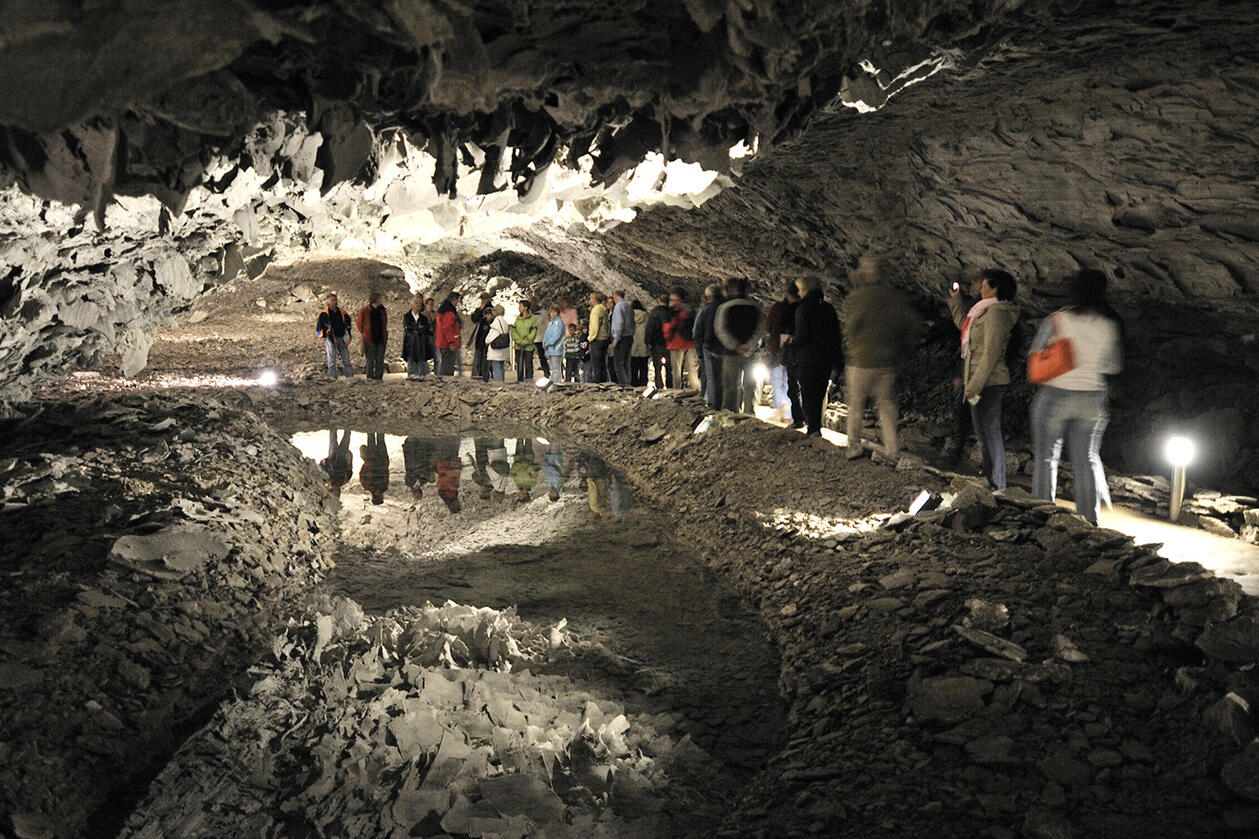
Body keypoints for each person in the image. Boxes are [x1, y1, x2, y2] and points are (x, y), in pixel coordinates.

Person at [1030, 269, 1123, 524]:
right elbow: (1113, 367)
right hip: (1093, 399)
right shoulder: (1109, 325)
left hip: (1055, 395)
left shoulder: (1058, 320)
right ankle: (1089, 520)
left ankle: (1042, 514)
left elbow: (1035, 352)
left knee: (1047, 458)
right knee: (1087, 460)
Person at [842, 256, 922, 460]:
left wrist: (853, 344)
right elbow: (913, 325)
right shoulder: (894, 297)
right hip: (887, 361)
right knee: (886, 405)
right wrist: (901, 348)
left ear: (865, 275)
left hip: (862, 360)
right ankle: (892, 450)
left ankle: (854, 445)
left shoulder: (859, 298)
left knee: (857, 404)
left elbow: (851, 326)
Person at [948, 267, 1021, 489]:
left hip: (990, 382)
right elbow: (965, 326)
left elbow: (990, 353)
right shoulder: (982, 312)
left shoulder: (997, 314)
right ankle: (991, 481)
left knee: (990, 432)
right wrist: (956, 300)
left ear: (995, 288)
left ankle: (997, 485)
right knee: (983, 432)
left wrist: (974, 386)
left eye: (985, 284)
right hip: (980, 381)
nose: (980, 288)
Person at [791, 276, 842, 437]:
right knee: (819, 393)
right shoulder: (829, 308)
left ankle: (813, 428)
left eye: (799, 289)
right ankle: (815, 427)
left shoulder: (803, 309)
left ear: (805, 290)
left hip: (807, 358)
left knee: (808, 393)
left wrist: (790, 343)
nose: (798, 293)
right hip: (825, 358)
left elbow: (802, 336)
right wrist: (837, 360)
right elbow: (836, 335)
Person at [714, 278, 765, 414]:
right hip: (752, 353)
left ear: (732, 290)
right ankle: (750, 412)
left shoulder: (725, 308)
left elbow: (721, 330)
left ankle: (730, 412)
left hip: (732, 353)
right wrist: (749, 346)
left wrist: (735, 346)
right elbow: (760, 329)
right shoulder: (756, 307)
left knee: (731, 384)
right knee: (751, 384)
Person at [765, 282, 802, 425]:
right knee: (790, 381)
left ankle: (784, 406)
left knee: (776, 379)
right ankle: (789, 412)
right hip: (795, 349)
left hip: (780, 348)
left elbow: (770, 326)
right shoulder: (800, 308)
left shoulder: (778, 308)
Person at [692, 284, 724, 405]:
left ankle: (711, 405)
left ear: (708, 297)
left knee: (710, 378)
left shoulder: (705, 310)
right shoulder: (726, 307)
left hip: (709, 347)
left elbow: (696, 332)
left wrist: (699, 351)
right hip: (727, 348)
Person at [663, 287, 699, 391]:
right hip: (690, 342)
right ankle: (695, 390)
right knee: (692, 368)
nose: (670, 297)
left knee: (677, 370)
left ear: (676, 296)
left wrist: (667, 338)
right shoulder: (691, 308)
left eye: (671, 295)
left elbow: (670, 325)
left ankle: (677, 390)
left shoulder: (675, 308)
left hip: (676, 342)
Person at [316, 293, 353, 379]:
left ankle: (350, 378)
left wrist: (347, 332)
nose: (335, 302)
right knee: (331, 361)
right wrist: (326, 335)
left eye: (336, 300)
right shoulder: (324, 314)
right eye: (333, 300)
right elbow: (318, 330)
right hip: (331, 340)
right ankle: (333, 379)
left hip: (342, 338)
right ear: (327, 302)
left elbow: (348, 322)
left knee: (346, 360)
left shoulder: (342, 312)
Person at [644, 293, 674, 389]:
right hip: (669, 342)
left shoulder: (654, 313)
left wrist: (647, 340)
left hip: (657, 343)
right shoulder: (672, 313)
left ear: (659, 301)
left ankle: (659, 386)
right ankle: (670, 386)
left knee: (658, 367)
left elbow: (650, 327)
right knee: (669, 367)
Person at [357, 293, 388, 380]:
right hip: (369, 338)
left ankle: (378, 377)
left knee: (380, 359)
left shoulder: (382, 311)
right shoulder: (365, 311)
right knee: (370, 359)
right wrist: (365, 333)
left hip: (381, 338)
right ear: (376, 299)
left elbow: (385, 323)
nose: (382, 300)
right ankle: (370, 377)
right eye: (380, 298)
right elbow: (359, 323)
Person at [401, 295, 431, 380]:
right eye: (416, 303)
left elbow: (426, 328)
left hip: (421, 342)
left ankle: (422, 376)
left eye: (419, 303)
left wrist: (417, 329)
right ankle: (411, 375)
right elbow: (408, 327)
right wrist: (418, 328)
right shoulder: (406, 316)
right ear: (411, 305)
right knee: (411, 358)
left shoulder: (423, 318)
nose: (418, 305)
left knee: (422, 358)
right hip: (410, 342)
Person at [610, 289, 635, 385]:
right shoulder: (628, 306)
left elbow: (619, 323)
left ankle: (624, 385)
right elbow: (633, 322)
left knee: (619, 364)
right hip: (629, 336)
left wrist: (616, 338)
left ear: (616, 297)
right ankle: (628, 382)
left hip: (622, 338)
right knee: (626, 363)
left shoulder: (619, 307)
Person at [319, 428, 353, 498]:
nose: (333, 488)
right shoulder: (344, 480)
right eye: (335, 491)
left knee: (333, 439)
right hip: (342, 457)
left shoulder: (327, 479)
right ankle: (347, 426)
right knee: (345, 439)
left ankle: (333, 426)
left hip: (332, 457)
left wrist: (324, 462)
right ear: (339, 491)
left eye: (331, 490)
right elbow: (350, 469)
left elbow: (322, 468)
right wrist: (349, 458)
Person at [435, 292, 462, 376]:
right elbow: (448, 328)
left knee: (446, 362)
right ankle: (445, 382)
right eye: (457, 300)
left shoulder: (443, 309)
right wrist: (451, 342)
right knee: (448, 364)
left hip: (443, 341)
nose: (458, 302)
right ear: (454, 300)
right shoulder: (449, 311)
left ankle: (443, 380)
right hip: (447, 343)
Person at [510, 300, 538, 382]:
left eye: (520, 306)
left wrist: (525, 341)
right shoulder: (518, 319)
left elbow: (533, 332)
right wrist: (518, 340)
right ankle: (520, 379)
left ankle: (529, 380)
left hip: (528, 347)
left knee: (528, 364)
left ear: (525, 308)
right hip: (518, 346)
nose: (519, 308)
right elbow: (513, 330)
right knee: (519, 364)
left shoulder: (533, 319)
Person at [469, 292, 494, 381]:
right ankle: (478, 376)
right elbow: (474, 319)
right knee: (478, 360)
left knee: (483, 361)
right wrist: (480, 309)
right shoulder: (481, 310)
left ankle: (481, 377)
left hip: (485, 338)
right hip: (480, 338)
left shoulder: (490, 309)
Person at [359, 431, 389, 505]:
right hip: (381, 460)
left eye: (381, 497)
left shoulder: (367, 485)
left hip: (373, 460)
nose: (382, 496)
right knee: (380, 440)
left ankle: (374, 425)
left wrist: (367, 464)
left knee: (372, 439)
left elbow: (361, 473)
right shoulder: (383, 487)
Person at [586, 292, 610, 383]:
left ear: (595, 299)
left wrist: (590, 338)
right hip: (604, 338)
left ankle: (597, 382)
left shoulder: (596, 310)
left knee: (596, 364)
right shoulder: (604, 309)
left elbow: (595, 326)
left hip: (597, 339)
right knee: (602, 363)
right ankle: (604, 382)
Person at [434, 436, 462, 513]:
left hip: (447, 463)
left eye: (457, 505)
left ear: (453, 506)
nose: (459, 503)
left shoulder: (444, 493)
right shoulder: (453, 494)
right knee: (454, 443)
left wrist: (451, 467)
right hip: (452, 464)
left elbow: (443, 476)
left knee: (447, 443)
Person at [485, 304, 511, 381]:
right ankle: (502, 382)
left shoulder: (496, 322)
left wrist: (487, 341)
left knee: (496, 368)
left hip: (495, 350)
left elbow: (490, 337)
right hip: (502, 348)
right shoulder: (504, 322)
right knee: (501, 367)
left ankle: (498, 384)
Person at [542, 305, 566, 380]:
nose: (552, 314)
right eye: (551, 312)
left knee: (556, 368)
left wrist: (548, 343)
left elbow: (557, 335)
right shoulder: (551, 323)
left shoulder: (559, 323)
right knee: (553, 368)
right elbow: (547, 334)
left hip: (556, 348)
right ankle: (553, 382)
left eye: (554, 312)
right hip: (550, 349)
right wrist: (544, 343)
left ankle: (556, 383)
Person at [630, 300, 650, 387]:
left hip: (633, 344)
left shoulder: (630, 315)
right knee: (644, 366)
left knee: (633, 367)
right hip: (643, 344)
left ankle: (634, 383)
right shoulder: (646, 315)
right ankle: (643, 383)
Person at [530, 297, 551, 379]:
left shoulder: (543, 313)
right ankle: (529, 375)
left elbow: (547, 325)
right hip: (531, 338)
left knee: (542, 357)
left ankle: (546, 373)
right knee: (529, 358)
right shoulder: (528, 313)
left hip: (540, 337)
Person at [423, 298, 439, 375]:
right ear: (426, 305)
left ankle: (438, 374)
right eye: (430, 304)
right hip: (425, 338)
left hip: (435, 337)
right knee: (425, 356)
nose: (431, 306)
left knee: (437, 357)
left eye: (433, 304)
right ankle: (426, 373)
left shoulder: (436, 315)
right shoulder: (422, 315)